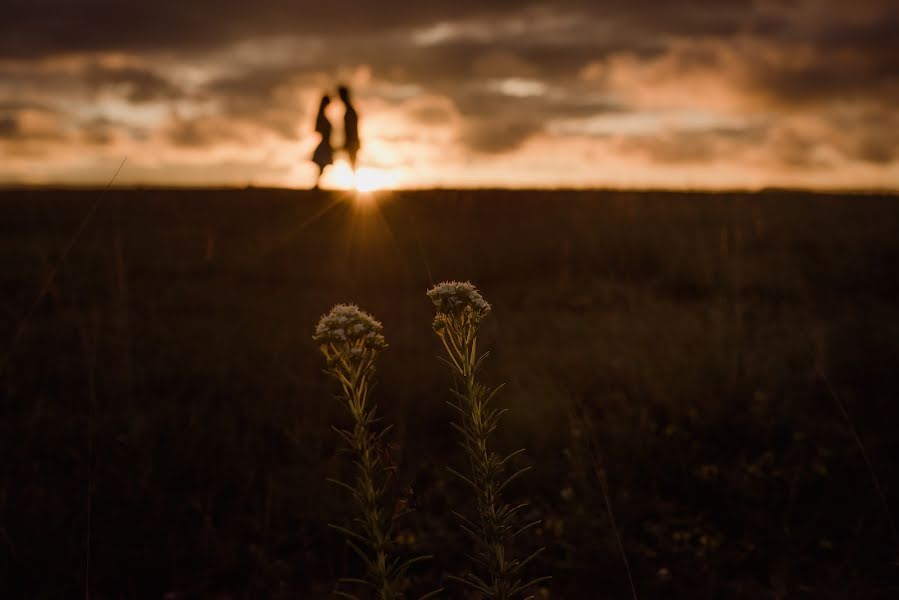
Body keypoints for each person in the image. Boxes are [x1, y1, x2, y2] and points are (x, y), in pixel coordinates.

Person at [311, 94, 333, 189]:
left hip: (326, 142)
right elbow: (318, 130)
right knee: (322, 164)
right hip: (325, 143)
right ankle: (317, 184)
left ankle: (317, 183)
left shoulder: (322, 115)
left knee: (322, 165)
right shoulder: (322, 116)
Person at [338, 85, 360, 172]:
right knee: (352, 161)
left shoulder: (350, 110)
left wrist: (348, 141)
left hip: (352, 140)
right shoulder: (350, 109)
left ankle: (354, 183)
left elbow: (351, 128)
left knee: (352, 161)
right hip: (352, 140)